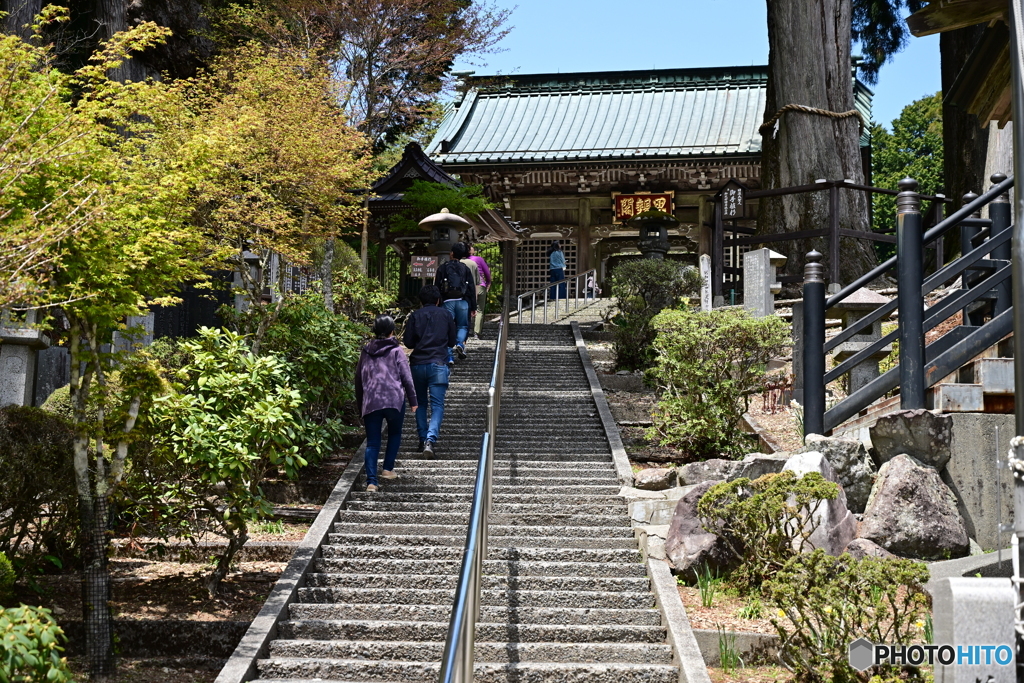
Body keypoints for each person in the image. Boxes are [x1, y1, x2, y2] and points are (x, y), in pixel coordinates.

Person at [354, 315, 417, 492]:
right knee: (395, 433)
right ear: (392, 331)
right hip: (393, 400)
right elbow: (406, 378)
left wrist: (361, 404)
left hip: (371, 401)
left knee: (372, 442)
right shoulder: (397, 350)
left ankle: (372, 482)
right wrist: (413, 400)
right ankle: (388, 469)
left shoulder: (366, 351)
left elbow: (358, 379)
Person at [403, 285, 457, 457]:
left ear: (421, 300)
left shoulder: (415, 316)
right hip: (439, 363)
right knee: (437, 405)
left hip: (418, 364)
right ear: (438, 300)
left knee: (419, 403)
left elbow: (408, 342)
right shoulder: (446, 315)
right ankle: (430, 440)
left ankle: (422, 439)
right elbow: (452, 341)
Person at [434, 242, 477, 365]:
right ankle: (459, 344)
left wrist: (436, 302)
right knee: (462, 326)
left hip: (447, 302)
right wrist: (473, 306)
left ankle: (449, 357)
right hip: (463, 302)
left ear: (452, 253)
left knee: (446, 329)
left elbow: (437, 286)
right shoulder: (465, 269)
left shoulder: (443, 268)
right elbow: (471, 288)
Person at [468, 244, 492, 340]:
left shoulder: (461, 261)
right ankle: (477, 332)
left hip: (468, 287)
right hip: (480, 285)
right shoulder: (479, 259)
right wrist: (488, 282)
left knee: (466, 308)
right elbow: (487, 272)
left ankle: (465, 330)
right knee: (479, 310)